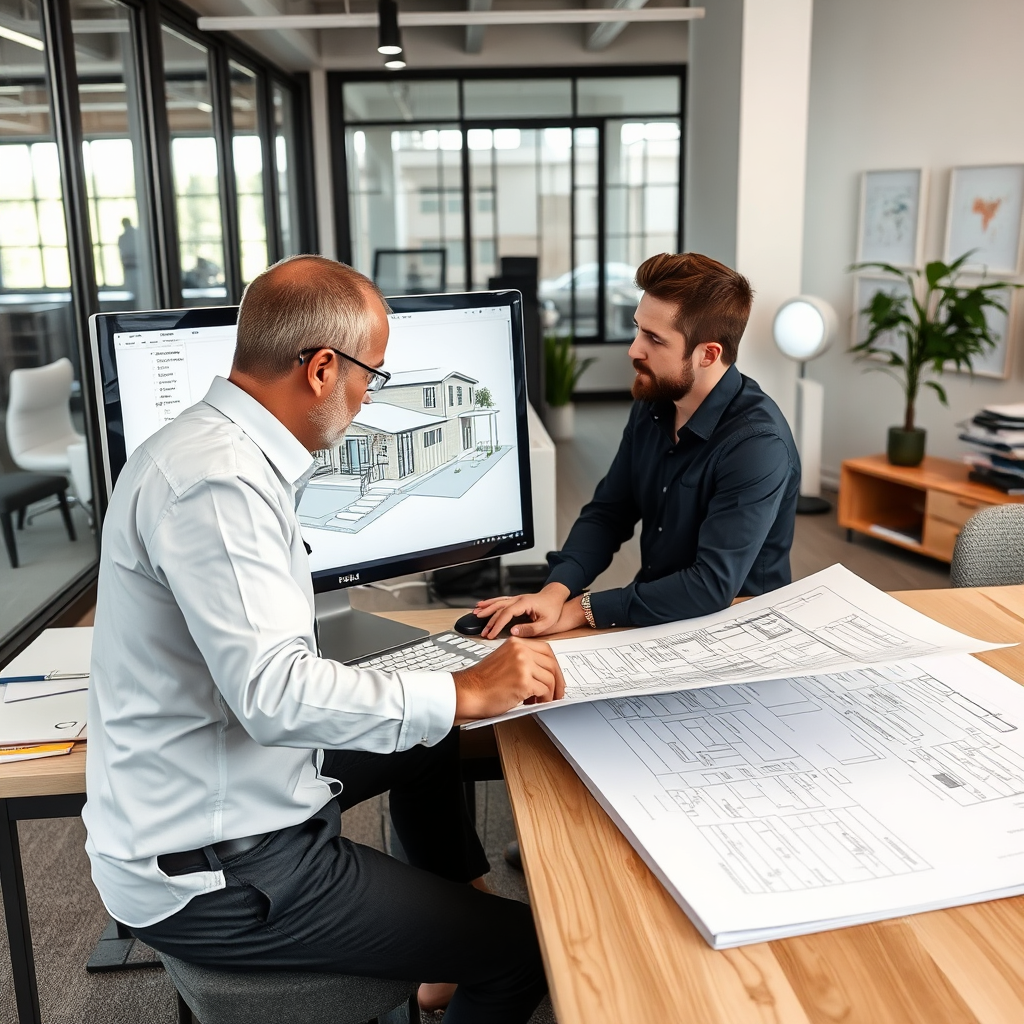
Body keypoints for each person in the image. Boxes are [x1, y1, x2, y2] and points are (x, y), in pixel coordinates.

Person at [83, 255, 563, 1024]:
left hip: (221, 791)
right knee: (527, 951)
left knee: (428, 739)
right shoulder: (220, 485)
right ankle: (465, 948)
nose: (372, 396)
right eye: (371, 375)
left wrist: (442, 703)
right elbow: (275, 695)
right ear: (320, 369)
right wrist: (463, 687)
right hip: (225, 871)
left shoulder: (215, 448)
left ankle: (443, 938)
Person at [476, 251, 800, 640]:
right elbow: (609, 513)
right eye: (637, 329)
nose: (634, 349)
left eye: (654, 338)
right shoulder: (655, 404)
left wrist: (582, 608)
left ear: (708, 354)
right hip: (658, 612)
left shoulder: (757, 445)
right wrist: (555, 590)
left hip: (738, 628)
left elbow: (711, 585)